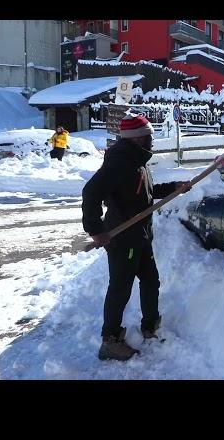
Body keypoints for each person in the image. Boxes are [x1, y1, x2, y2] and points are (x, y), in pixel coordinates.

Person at [82, 114, 191, 361]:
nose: (152, 140)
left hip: (140, 234)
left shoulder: (137, 161)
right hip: (123, 238)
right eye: (149, 135)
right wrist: (96, 229)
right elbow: (91, 192)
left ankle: (150, 325)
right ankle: (109, 340)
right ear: (137, 138)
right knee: (120, 288)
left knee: (151, 280)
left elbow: (144, 194)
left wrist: (172, 187)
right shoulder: (121, 162)